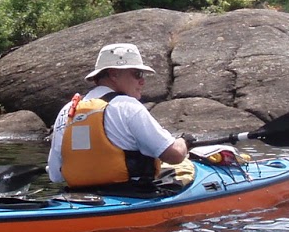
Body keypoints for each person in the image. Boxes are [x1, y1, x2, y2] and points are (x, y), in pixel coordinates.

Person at [46, 43, 189, 187]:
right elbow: (174, 155)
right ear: (114, 74)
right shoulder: (128, 106)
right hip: (133, 196)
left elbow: (55, 175)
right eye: (137, 74)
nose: (142, 81)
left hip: (78, 198)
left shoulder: (69, 110)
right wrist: (184, 142)